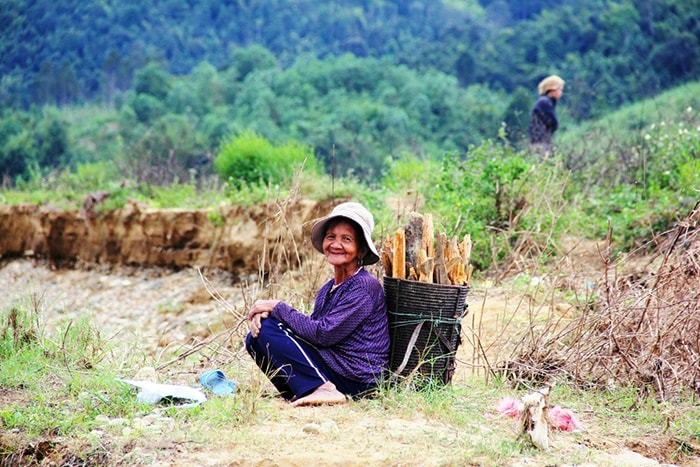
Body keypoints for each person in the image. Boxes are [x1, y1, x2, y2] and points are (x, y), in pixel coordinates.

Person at [245, 202, 390, 407]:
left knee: (269, 329)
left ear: (361, 250)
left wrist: (277, 307)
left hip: (357, 378)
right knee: (255, 338)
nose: (336, 244)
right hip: (335, 365)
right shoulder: (329, 288)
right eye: (331, 237)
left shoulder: (364, 287)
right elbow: (309, 332)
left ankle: (324, 389)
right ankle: (304, 390)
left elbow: (323, 334)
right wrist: (269, 315)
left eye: (346, 239)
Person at [528, 75, 565, 155]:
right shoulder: (544, 102)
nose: (561, 93)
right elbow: (554, 123)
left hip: (543, 141)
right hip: (540, 142)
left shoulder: (546, 102)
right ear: (552, 89)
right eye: (560, 90)